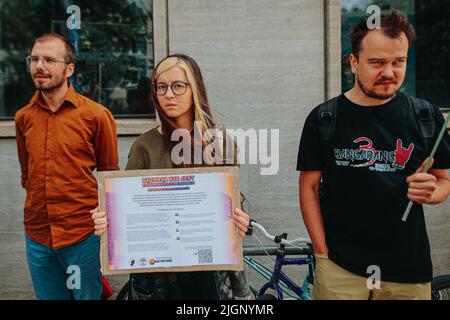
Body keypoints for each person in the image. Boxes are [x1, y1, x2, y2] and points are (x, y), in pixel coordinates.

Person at [297, 11, 450, 300]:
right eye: (377, 62)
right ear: (353, 63)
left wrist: (434, 192)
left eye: (399, 62)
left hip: (408, 271)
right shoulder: (324, 118)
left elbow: (444, 181)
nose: (389, 72)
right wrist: (323, 256)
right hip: (341, 270)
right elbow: (309, 188)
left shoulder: (425, 116)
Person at [92, 54, 253, 300]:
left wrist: (240, 220)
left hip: (211, 273)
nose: (169, 94)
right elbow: (126, 213)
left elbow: (231, 207)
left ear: (195, 89)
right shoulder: (144, 146)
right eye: (161, 87)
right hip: (159, 276)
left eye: (178, 86)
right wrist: (107, 221)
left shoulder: (221, 143)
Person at [15, 33, 119, 300]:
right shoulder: (23, 118)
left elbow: (110, 178)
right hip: (37, 234)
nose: (39, 66)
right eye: (34, 59)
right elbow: (27, 175)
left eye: (49, 59)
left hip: (82, 235)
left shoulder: (96, 115)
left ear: (69, 68)